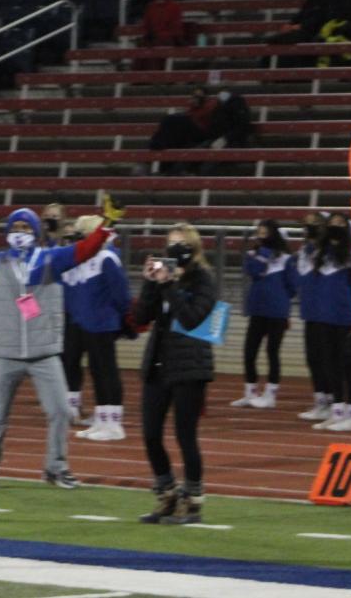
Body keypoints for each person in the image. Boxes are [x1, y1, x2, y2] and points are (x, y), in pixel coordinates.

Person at [0, 194, 124, 489]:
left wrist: (108, 225)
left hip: (45, 351)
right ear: (6, 232)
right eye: (16, 227)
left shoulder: (51, 259)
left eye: (26, 228)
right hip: (7, 351)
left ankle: (56, 468)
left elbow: (85, 249)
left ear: (36, 233)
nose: (21, 232)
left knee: (61, 411)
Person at [133, 223, 217, 525]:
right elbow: (141, 317)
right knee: (150, 434)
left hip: (191, 365)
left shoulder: (203, 278)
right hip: (159, 362)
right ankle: (166, 494)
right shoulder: (162, 277)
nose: (174, 249)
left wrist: (170, 284)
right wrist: (150, 284)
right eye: (170, 243)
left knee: (185, 436)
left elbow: (192, 319)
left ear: (193, 248)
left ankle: (192, 502)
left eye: (180, 244)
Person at [61, 214, 130, 441]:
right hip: (89, 323)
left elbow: (120, 293)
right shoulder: (87, 258)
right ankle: (102, 419)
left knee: (107, 371)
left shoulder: (106, 258)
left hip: (103, 323)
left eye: (81, 232)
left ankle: (114, 424)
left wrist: (123, 318)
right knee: (97, 371)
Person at [232, 220, 295, 410]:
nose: (260, 235)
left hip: (277, 311)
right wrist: (260, 255)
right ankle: (250, 392)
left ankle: (270, 395)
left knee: (272, 352)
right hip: (257, 309)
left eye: (264, 232)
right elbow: (253, 272)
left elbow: (292, 285)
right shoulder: (254, 254)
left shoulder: (285, 258)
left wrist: (282, 301)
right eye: (258, 232)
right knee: (249, 351)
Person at [313, 214, 351, 432]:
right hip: (325, 317)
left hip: (348, 317)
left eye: (341, 224)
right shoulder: (321, 254)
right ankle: (337, 412)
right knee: (330, 365)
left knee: (348, 365)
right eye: (332, 223)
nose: (335, 227)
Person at [292, 212, 335, 422]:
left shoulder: (332, 250)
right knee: (313, 359)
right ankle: (320, 402)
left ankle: (334, 402)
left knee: (328, 360)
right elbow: (301, 275)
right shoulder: (305, 250)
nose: (308, 229)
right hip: (310, 311)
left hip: (328, 313)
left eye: (314, 225)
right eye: (306, 225)